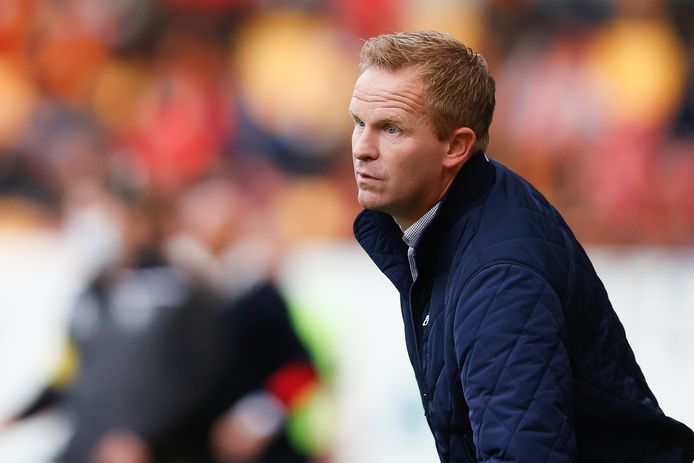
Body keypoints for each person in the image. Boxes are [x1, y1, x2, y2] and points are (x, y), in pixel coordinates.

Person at [350, 30, 694, 463]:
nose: (362, 149)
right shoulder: (457, 222)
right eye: (358, 123)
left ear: (456, 146)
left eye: (391, 129)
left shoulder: (500, 277)